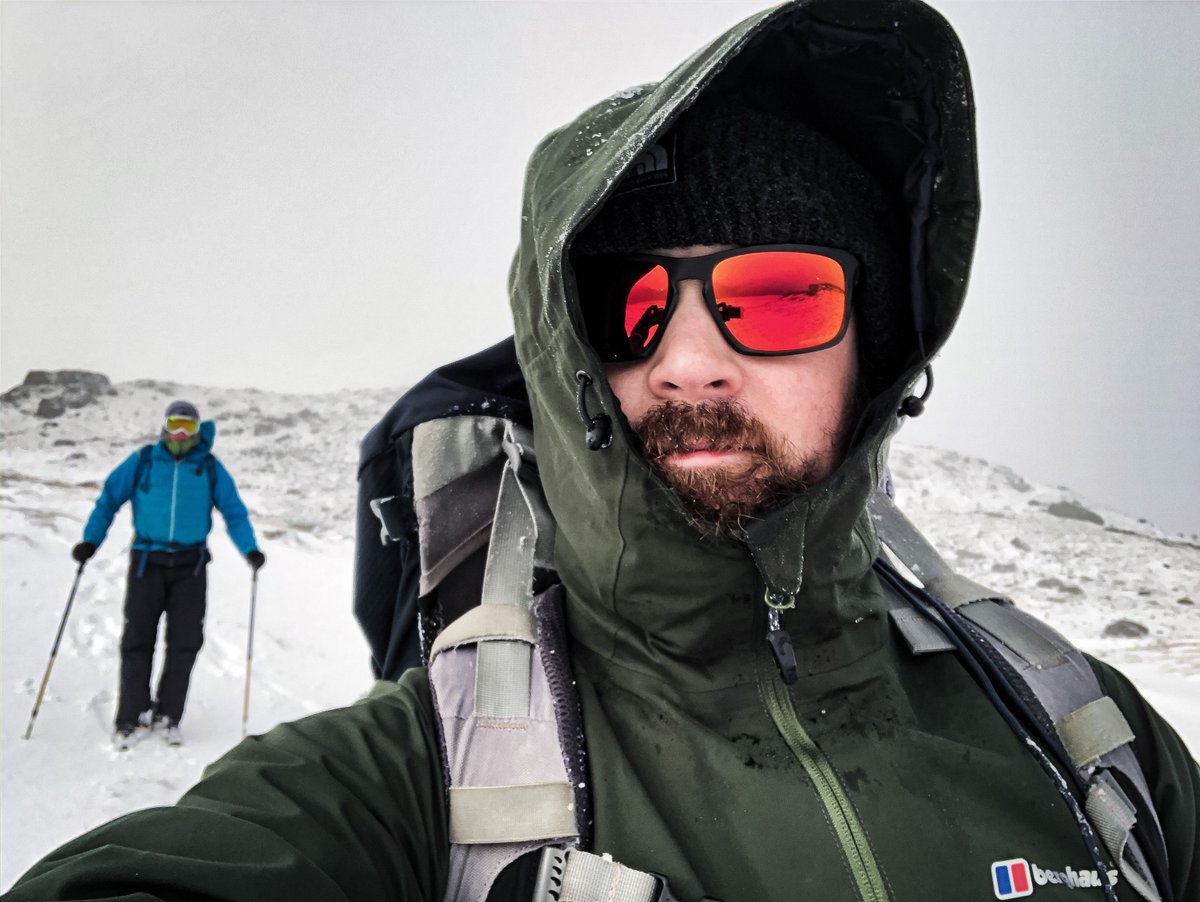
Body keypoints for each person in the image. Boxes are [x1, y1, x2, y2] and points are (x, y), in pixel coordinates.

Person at [6, 0, 1196, 899]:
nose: (687, 362)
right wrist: (102, 534)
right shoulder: (432, 770)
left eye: (776, 296)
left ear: (874, 347)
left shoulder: (1096, 740)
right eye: (632, 311)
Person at [69, 400, 265, 749]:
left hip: (191, 566)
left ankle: (168, 716)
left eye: (188, 427)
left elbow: (234, 512)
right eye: (175, 424)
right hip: (147, 562)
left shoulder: (208, 467)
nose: (181, 433)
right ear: (164, 426)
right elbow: (109, 500)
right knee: (137, 641)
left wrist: (249, 549)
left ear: (197, 431)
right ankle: (130, 716)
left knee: (184, 644)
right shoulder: (143, 461)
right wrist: (90, 541)